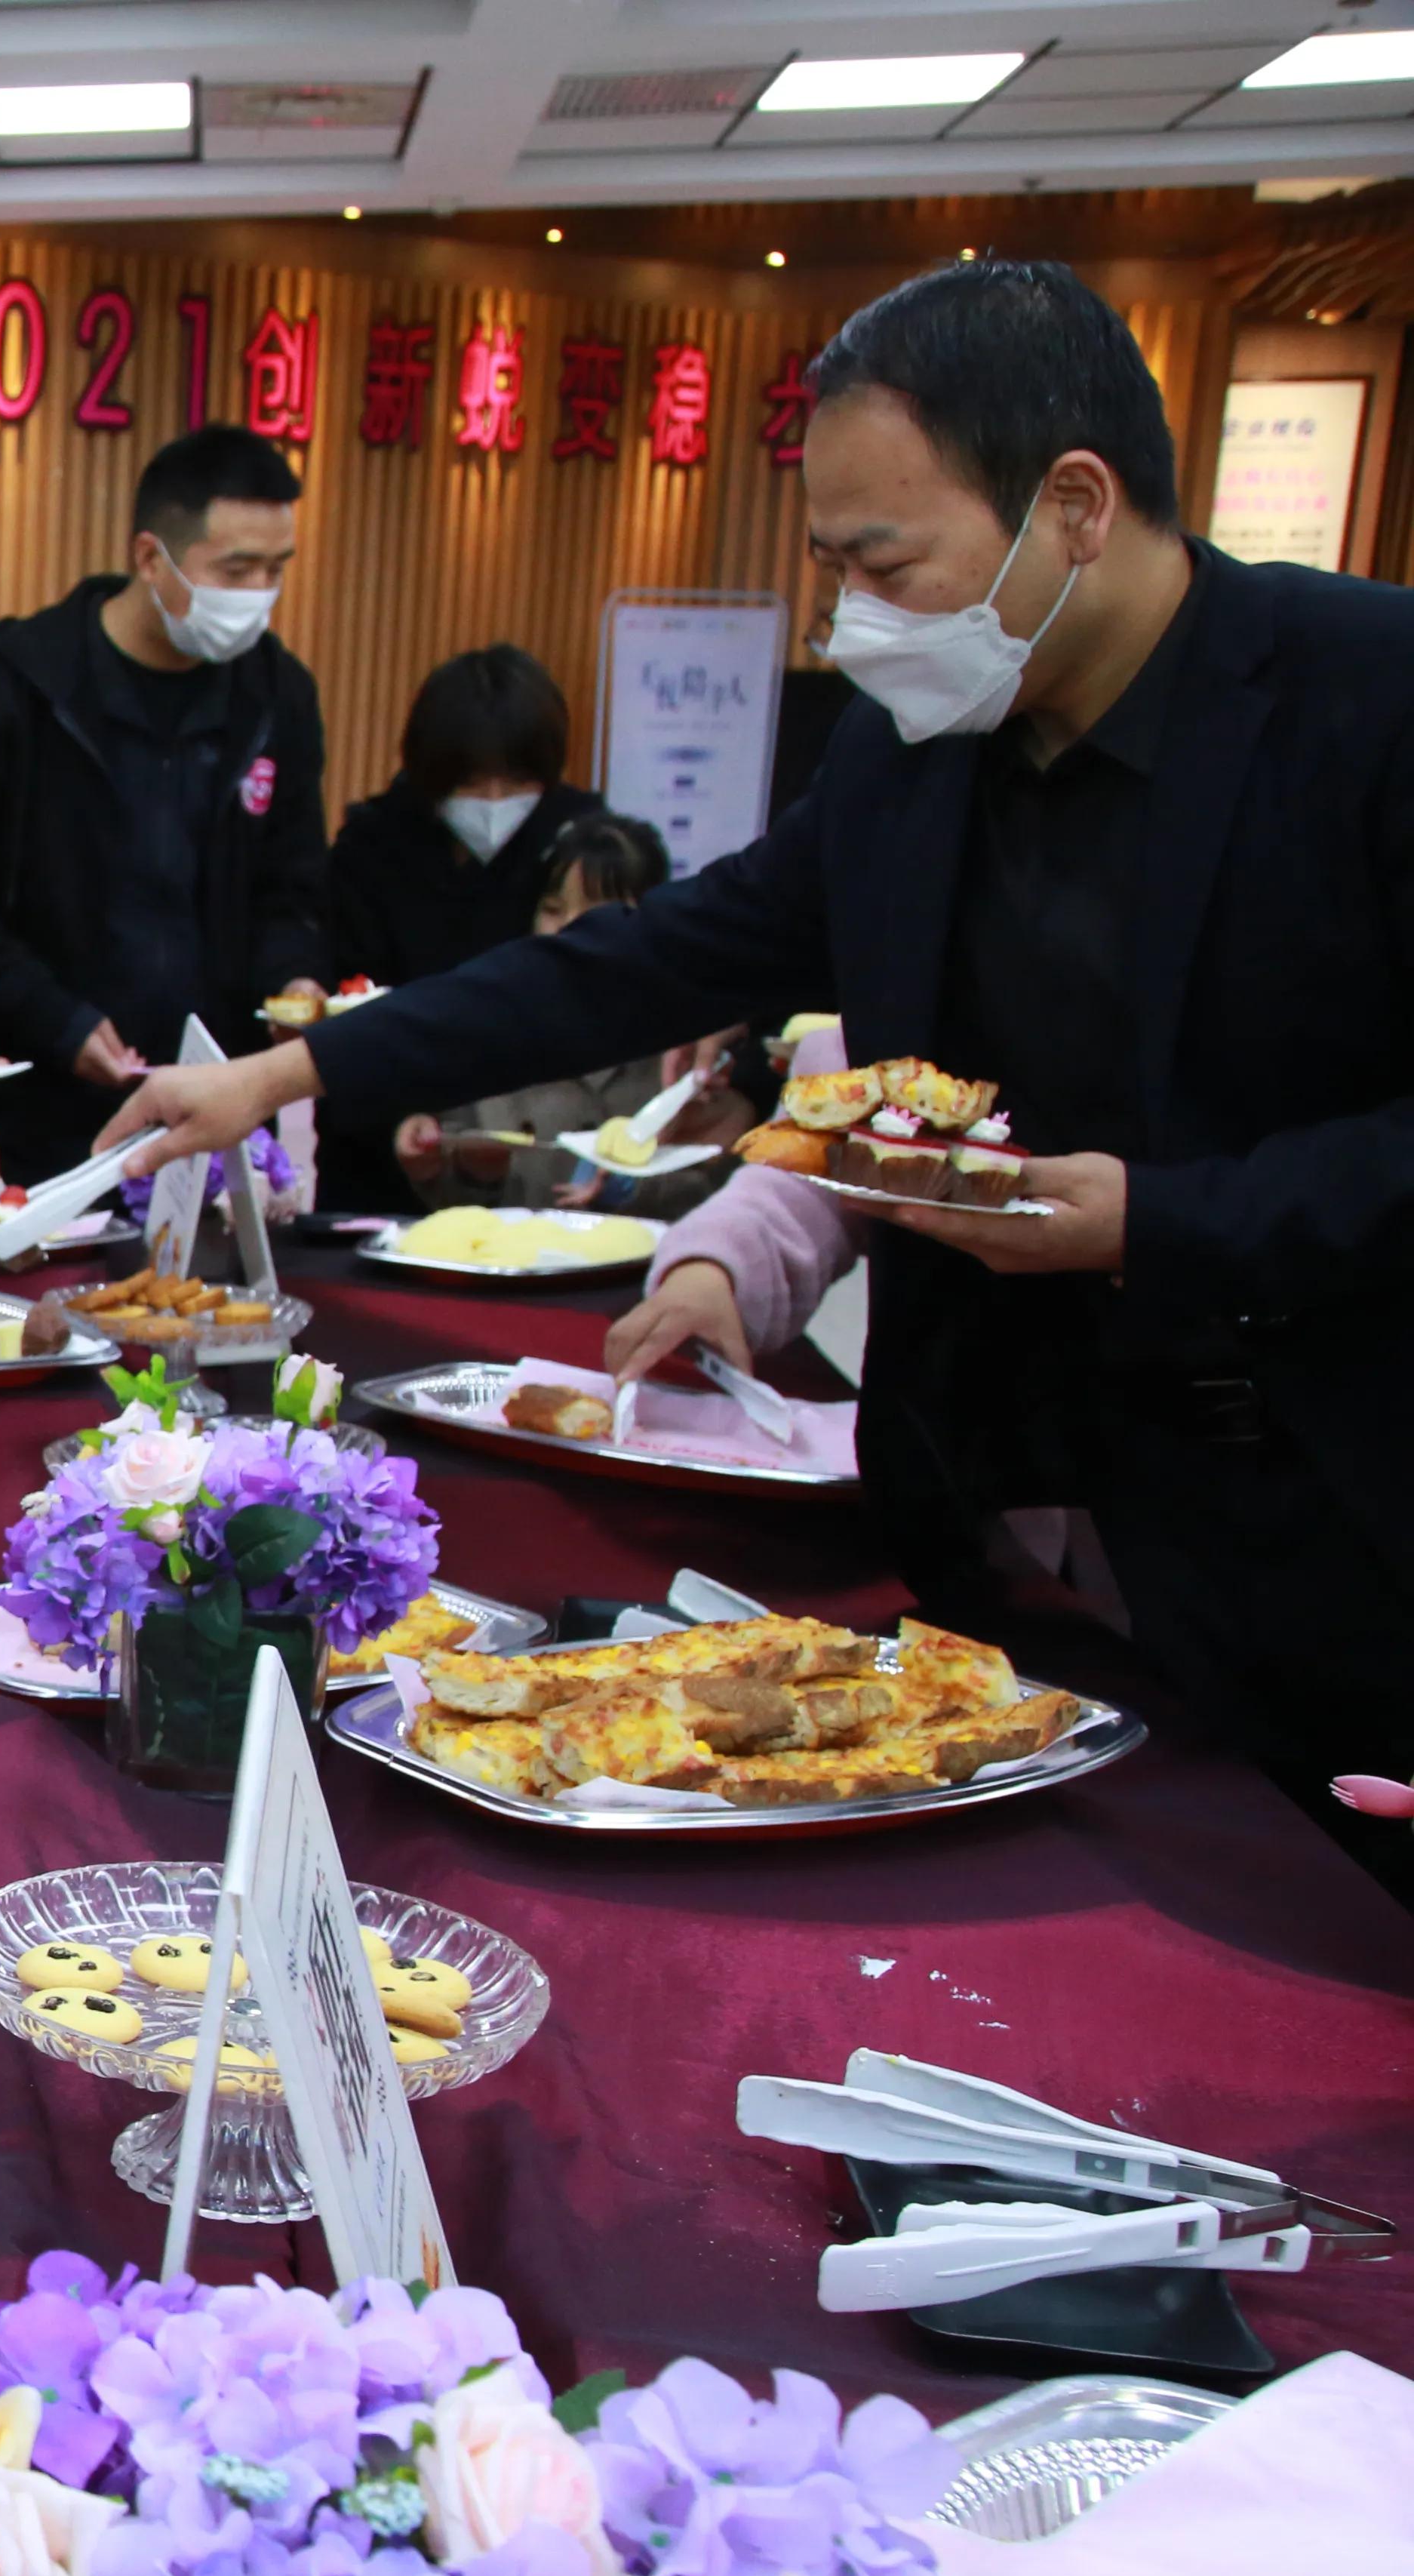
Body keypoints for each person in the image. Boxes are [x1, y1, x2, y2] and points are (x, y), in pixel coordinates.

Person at [98, 257, 1414, 1897]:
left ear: (1074, 506)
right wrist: (295, 1064)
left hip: (1321, 1537)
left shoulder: (1366, 700)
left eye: (883, 561)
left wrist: (1165, 1218)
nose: (843, 617)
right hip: (992, 1508)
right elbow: (650, 958)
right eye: (827, 563)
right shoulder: (910, 751)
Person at [0, 421, 328, 1179]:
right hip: (42, 1110)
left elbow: (293, 884)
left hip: (214, 1109)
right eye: (236, 569)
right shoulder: (13, 690)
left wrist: (294, 978)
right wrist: (56, 1020)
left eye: (276, 570)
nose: (259, 597)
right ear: (150, 557)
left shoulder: (277, 697)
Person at [390, 814, 745, 1211]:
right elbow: (454, 1205)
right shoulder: (488, 1033)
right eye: (554, 909)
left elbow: (723, 1185)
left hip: (645, 1265)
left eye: (598, 911)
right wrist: (464, 1169)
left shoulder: (689, 1043)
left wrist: (630, 1190)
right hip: (515, 1262)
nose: (571, 931)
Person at [325, 645, 604, 993]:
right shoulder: (371, 844)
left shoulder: (582, 840)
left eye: (516, 783)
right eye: (471, 783)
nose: (494, 800)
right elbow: (352, 979)